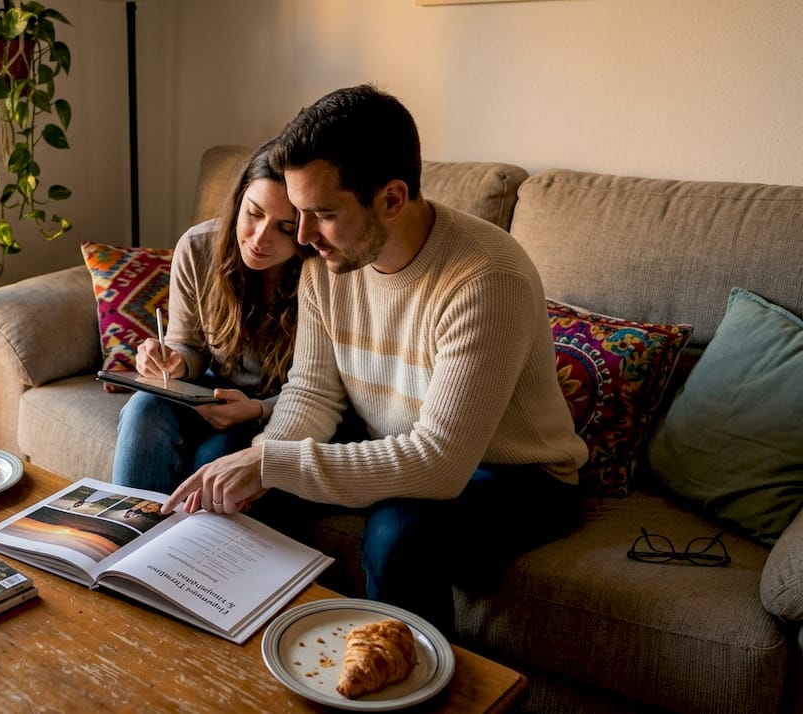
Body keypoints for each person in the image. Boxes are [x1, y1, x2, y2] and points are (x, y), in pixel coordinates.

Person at [162, 85, 588, 636]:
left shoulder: (486, 278)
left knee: (398, 532)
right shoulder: (330, 260)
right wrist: (263, 458)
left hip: (519, 477)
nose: (305, 236)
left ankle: (406, 688)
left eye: (321, 214)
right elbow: (313, 392)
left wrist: (271, 464)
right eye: (301, 213)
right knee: (235, 475)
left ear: (390, 198)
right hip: (393, 442)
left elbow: (438, 461)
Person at [111, 138, 307, 494]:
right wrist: (172, 362)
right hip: (215, 388)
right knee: (144, 408)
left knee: (215, 456)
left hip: (283, 407)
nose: (260, 238)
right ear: (238, 201)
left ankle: (188, 547)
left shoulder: (321, 273)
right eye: (254, 213)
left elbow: (325, 391)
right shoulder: (199, 248)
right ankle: (127, 534)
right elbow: (188, 344)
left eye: (285, 227)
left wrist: (258, 411)